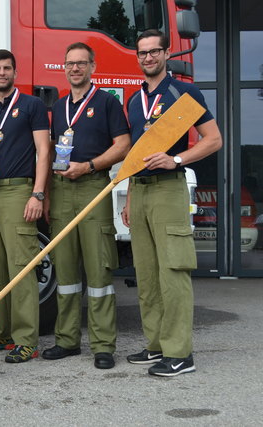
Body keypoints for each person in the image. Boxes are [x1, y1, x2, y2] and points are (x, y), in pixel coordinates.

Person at [122, 29, 222, 376]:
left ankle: (180, 353)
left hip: (169, 189)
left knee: (173, 273)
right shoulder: (134, 101)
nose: (148, 58)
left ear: (166, 54)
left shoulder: (185, 92)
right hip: (142, 191)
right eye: (142, 53)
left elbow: (214, 139)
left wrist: (177, 160)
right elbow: (135, 156)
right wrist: (130, 197)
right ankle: (156, 345)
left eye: (154, 52)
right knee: (146, 276)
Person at [40, 43, 131, 369]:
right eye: (70, 64)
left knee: (98, 269)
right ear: (64, 68)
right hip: (62, 190)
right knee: (64, 271)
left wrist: (90, 166)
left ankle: (103, 345)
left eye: (81, 63)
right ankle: (67, 340)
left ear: (92, 67)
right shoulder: (59, 106)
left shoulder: (107, 102)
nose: (75, 68)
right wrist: (48, 194)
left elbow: (123, 146)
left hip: (93, 186)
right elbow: (50, 152)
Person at [0, 49, 50, 363]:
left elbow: (43, 151)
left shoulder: (31, 105)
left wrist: (38, 194)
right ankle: (2, 332)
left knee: (21, 267)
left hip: (19, 191)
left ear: (14, 72)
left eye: (6, 68)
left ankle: (26, 339)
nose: (1, 73)